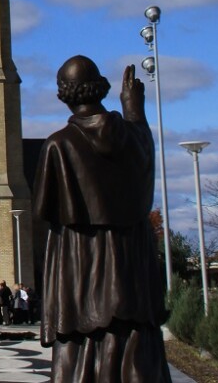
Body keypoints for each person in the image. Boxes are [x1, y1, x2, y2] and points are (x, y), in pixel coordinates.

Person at [34, 58, 171, 382]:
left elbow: (43, 208)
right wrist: (133, 107)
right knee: (134, 347)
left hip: (81, 270)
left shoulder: (58, 144)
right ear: (100, 88)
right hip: (130, 270)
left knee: (82, 348)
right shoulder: (133, 137)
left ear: (64, 94)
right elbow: (145, 159)